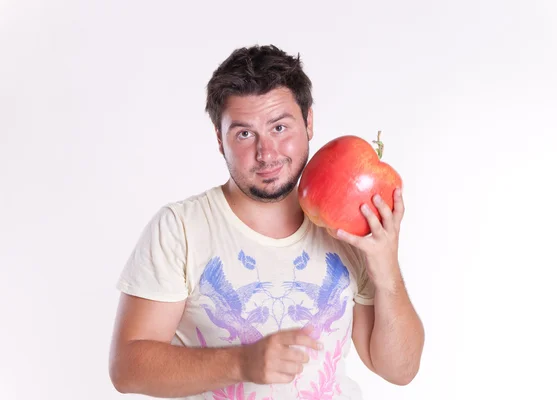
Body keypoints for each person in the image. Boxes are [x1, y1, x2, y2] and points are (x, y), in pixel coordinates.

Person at [108, 44, 425, 400]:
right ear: (219, 140)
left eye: (279, 127)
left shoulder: (347, 229)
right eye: (244, 134)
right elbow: (127, 368)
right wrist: (241, 363)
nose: (266, 153)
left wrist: (387, 269)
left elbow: (400, 370)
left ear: (308, 123)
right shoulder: (180, 228)